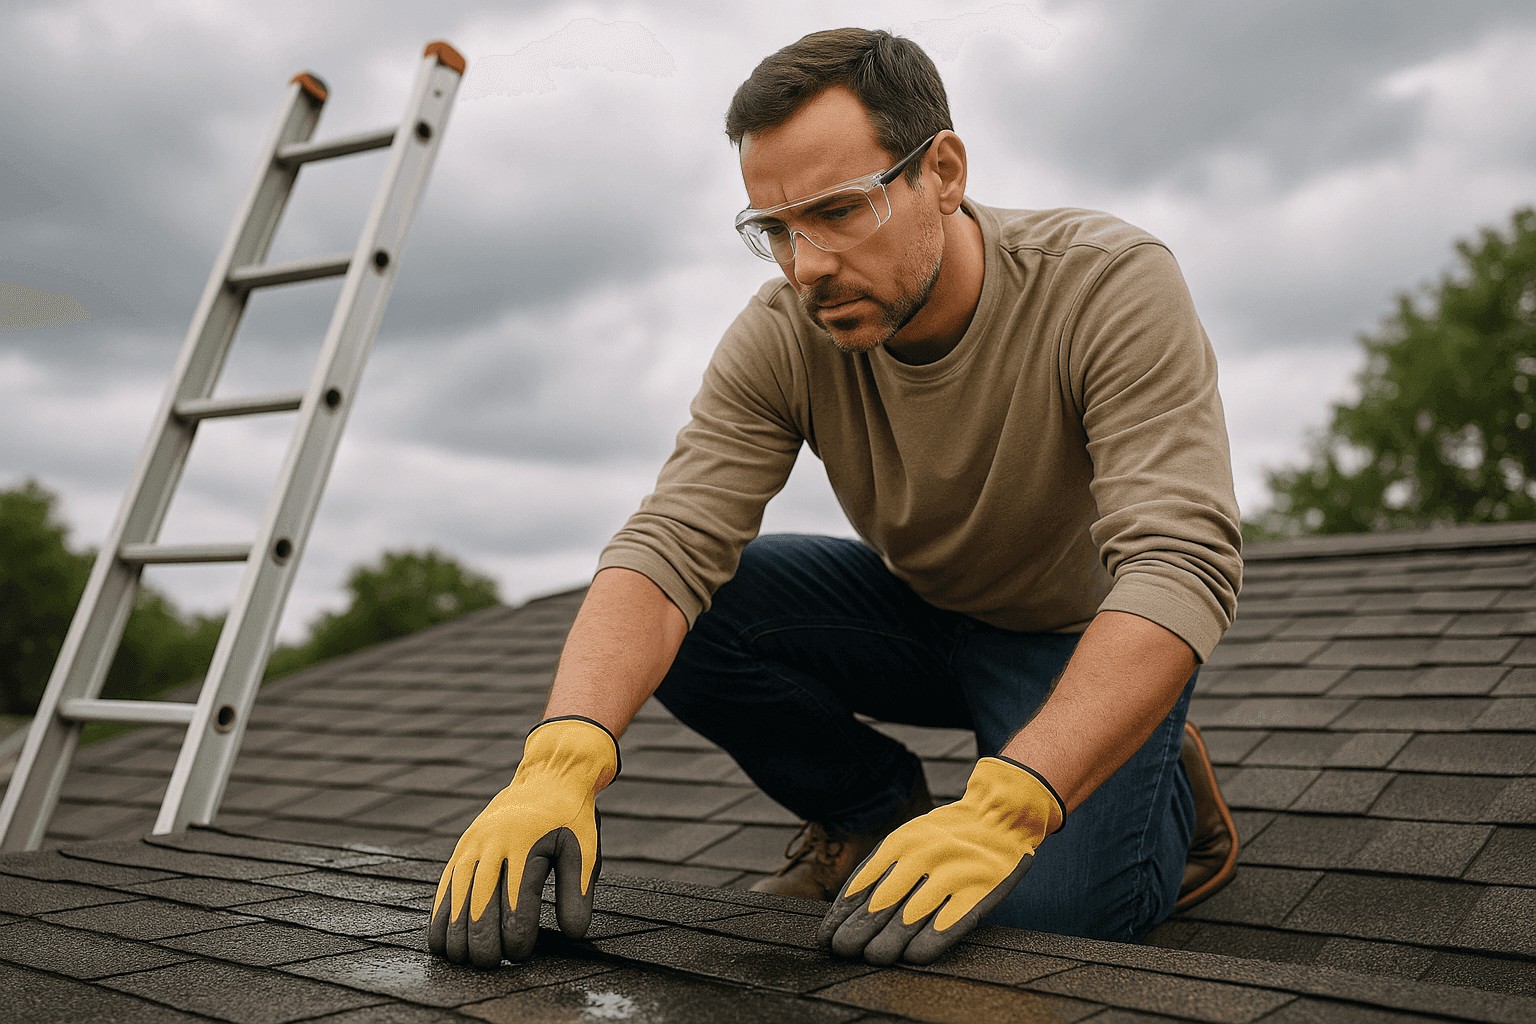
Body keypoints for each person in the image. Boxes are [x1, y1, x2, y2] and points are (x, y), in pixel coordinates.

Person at [428, 27, 1242, 970]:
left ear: (941, 170)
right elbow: (669, 543)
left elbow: (1182, 563)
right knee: (704, 606)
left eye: (840, 211)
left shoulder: (1105, 283)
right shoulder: (781, 333)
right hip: (926, 615)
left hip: (1076, 640)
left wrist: (1007, 804)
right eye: (773, 229)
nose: (804, 265)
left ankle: (1154, 778)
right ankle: (870, 816)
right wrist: (558, 762)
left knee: (1038, 936)